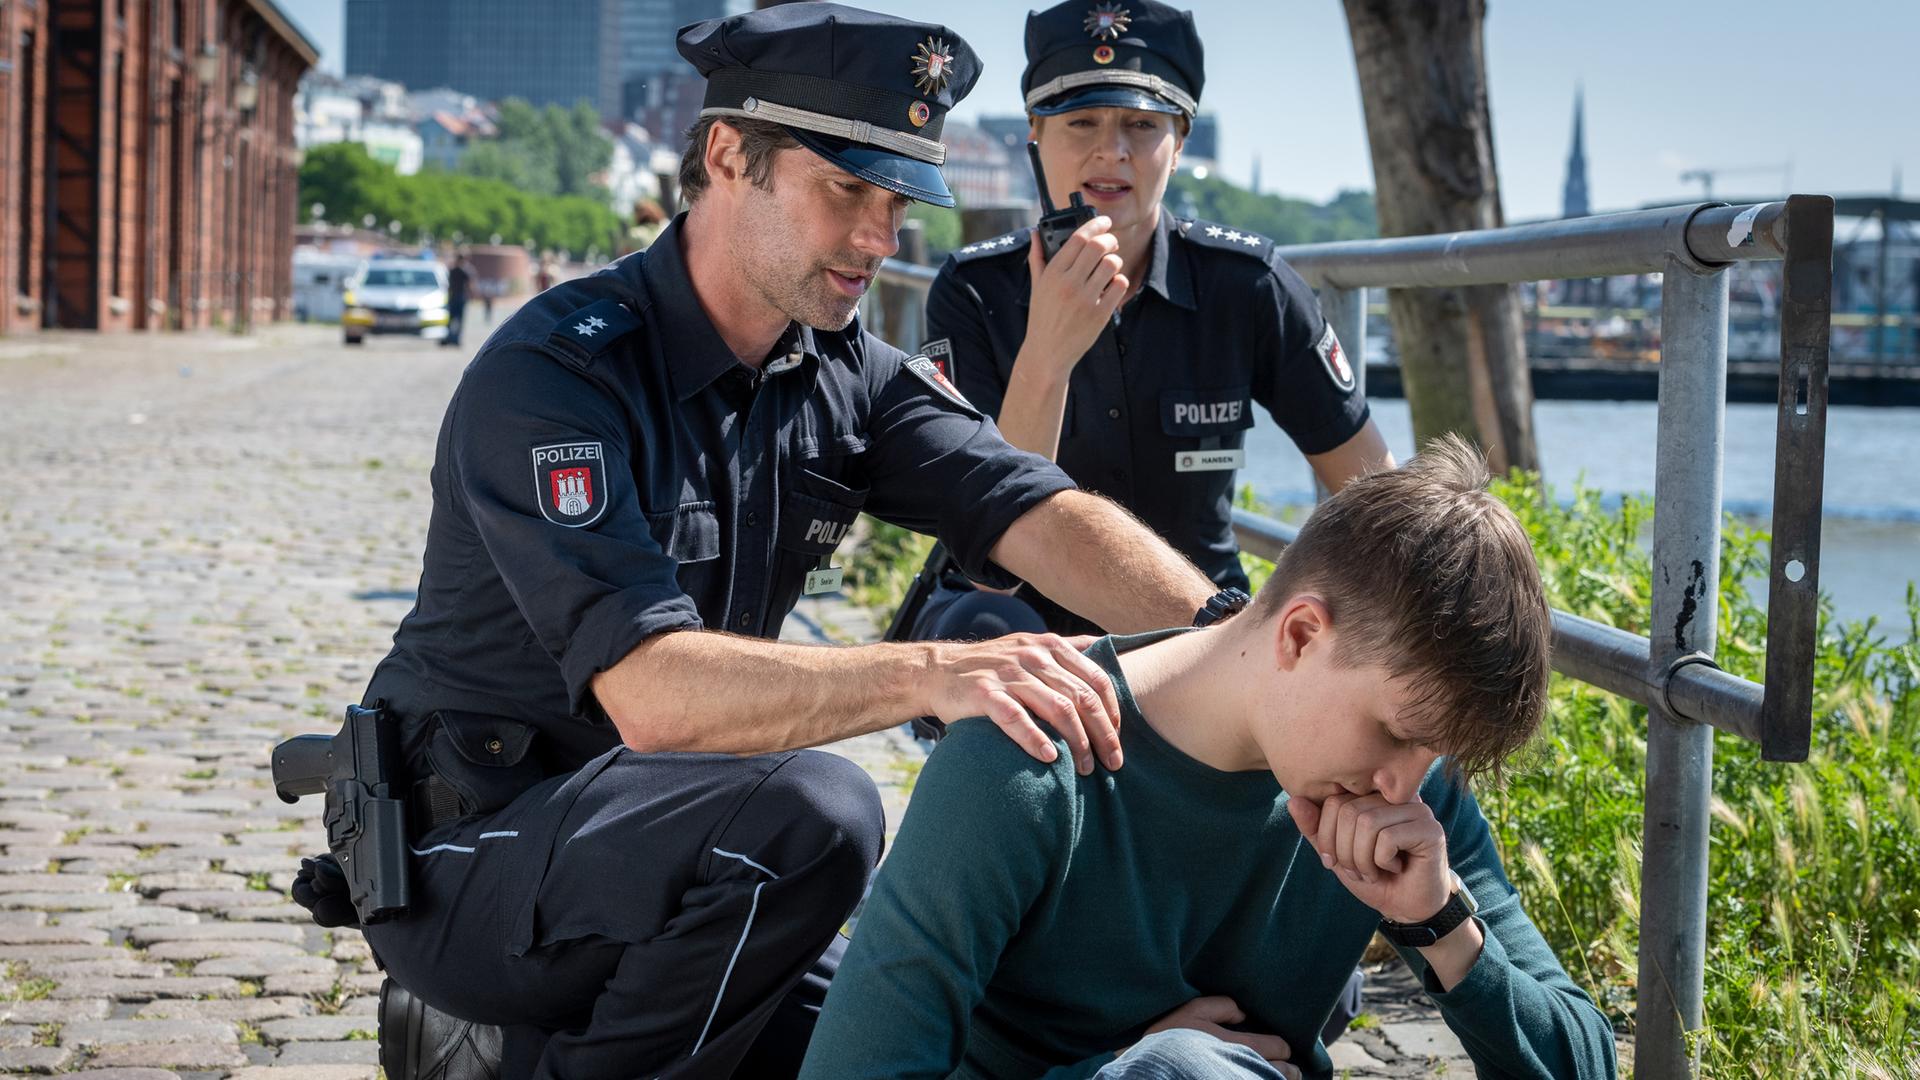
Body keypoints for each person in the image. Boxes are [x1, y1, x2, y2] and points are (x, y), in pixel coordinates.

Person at [294, 5, 1230, 1079]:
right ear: (731, 154)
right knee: (820, 813)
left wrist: (1243, 646)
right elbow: (654, 697)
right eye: (846, 191)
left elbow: (1035, 510)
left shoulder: (843, 375)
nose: (880, 238)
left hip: (681, 860)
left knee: (950, 1031)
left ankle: (515, 1050)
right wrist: (939, 672)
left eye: (896, 200)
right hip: (475, 856)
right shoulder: (558, 377)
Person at [801, 437, 1617, 1080]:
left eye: (1433, 752)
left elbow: (1584, 1064)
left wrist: (1442, 929)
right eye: (1397, 731)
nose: (1404, 781)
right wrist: (1126, 1073)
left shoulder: (1412, 800)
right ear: (1301, 635)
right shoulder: (1024, 762)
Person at [909, 0, 1393, 647]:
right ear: (1034, 132)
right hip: (1024, 631)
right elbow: (992, 560)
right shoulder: (972, 291)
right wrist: (1047, 355)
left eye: (1141, 124)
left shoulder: (1246, 282)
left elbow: (1377, 495)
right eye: (1079, 121)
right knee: (986, 627)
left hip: (1200, 628)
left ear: (1181, 137)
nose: (1111, 151)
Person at [443, 254, 471, 347]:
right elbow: (469, 285)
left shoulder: (455, 271)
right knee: (456, 319)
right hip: (459, 297)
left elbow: (449, 285)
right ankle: (453, 338)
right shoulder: (463, 271)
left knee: (453, 319)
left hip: (456, 297)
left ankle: (452, 337)